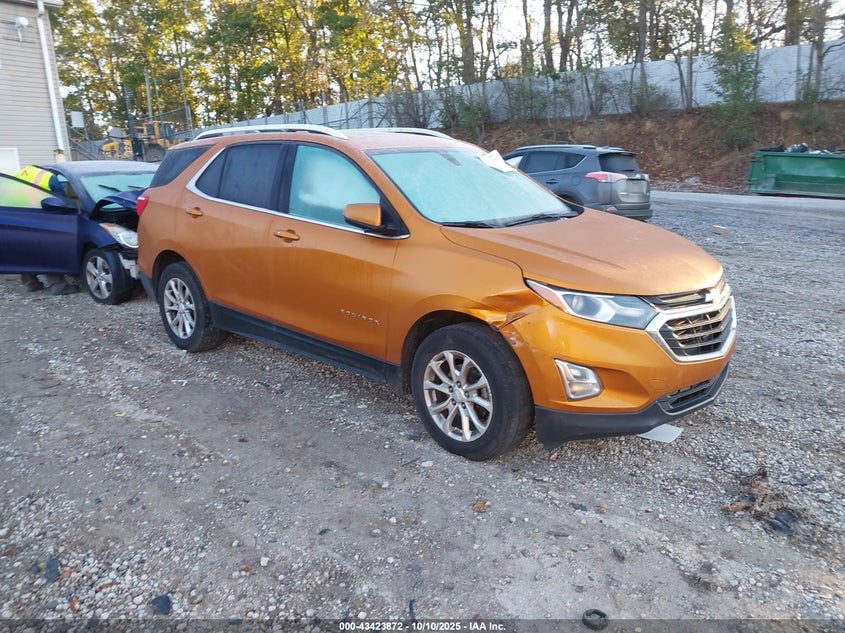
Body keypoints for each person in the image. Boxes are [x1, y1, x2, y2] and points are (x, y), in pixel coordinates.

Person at [14, 166, 80, 295]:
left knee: (25, 250)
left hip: (19, 217)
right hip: (42, 218)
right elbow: (62, 202)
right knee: (50, 251)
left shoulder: (21, 174)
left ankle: (30, 283)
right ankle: (58, 286)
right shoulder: (50, 177)